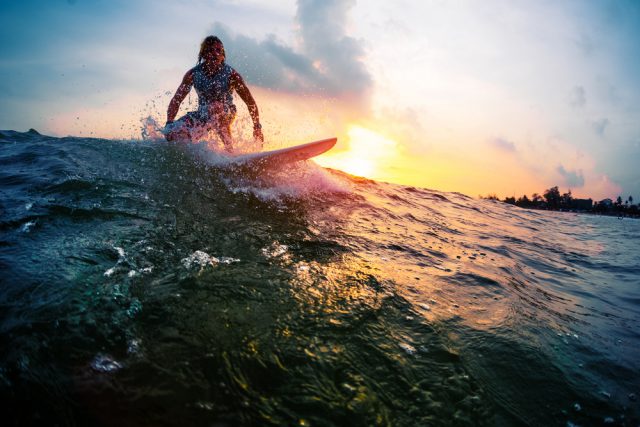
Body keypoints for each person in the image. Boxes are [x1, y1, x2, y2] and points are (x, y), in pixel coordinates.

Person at [165, 36, 263, 151]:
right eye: (210, 50)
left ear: (222, 56)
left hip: (227, 111)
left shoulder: (232, 75)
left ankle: (230, 151)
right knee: (173, 132)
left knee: (215, 107)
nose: (215, 54)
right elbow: (176, 100)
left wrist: (257, 127)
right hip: (202, 114)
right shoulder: (193, 74)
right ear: (204, 54)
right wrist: (169, 122)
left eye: (218, 51)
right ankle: (195, 156)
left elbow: (250, 102)